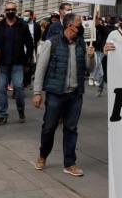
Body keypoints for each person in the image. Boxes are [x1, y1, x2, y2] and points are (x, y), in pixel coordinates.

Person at [32, 13, 96, 177]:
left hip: (75, 94)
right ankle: (42, 155)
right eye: (78, 25)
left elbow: (90, 69)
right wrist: (37, 92)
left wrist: (90, 56)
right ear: (69, 26)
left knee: (71, 128)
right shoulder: (51, 42)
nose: (81, 28)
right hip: (55, 93)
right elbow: (40, 69)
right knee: (49, 127)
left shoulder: (82, 43)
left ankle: (70, 163)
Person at [0, 1, 34, 125]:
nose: (10, 12)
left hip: (17, 63)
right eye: (8, 10)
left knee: (19, 88)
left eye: (13, 9)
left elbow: (30, 45)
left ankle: (21, 111)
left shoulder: (22, 25)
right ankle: (3, 115)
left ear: (16, 11)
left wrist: (27, 61)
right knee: (1, 89)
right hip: (2, 64)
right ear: (5, 12)